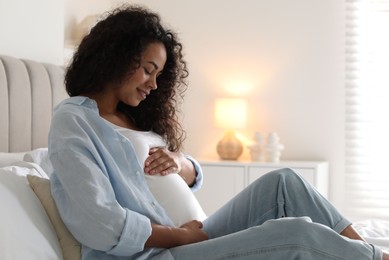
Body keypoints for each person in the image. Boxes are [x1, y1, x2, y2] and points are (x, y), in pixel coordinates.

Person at [48, 4, 388, 260]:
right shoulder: (74, 122)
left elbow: (192, 174)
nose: (153, 85)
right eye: (148, 70)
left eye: (158, 75)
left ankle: (363, 250)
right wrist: (182, 237)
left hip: (197, 233)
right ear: (115, 58)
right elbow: (100, 222)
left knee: (284, 182)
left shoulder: (132, 117)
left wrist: (181, 164)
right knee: (296, 233)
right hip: (159, 252)